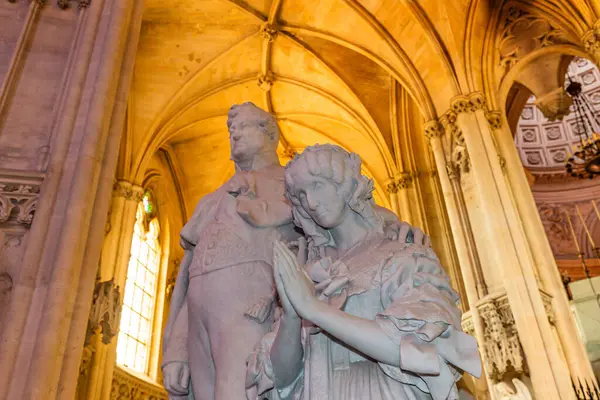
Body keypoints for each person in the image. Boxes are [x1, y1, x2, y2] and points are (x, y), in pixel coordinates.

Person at [162, 103, 427, 400]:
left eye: (243, 126)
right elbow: (189, 280)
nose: (233, 133)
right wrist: (178, 347)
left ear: (270, 133)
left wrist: (393, 228)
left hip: (254, 311)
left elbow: (352, 214)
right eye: (230, 129)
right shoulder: (211, 200)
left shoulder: (298, 183)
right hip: (200, 319)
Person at [246, 144, 481, 400]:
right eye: (301, 195)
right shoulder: (309, 274)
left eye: (317, 186)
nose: (311, 202)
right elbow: (281, 379)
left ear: (344, 183)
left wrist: (311, 307)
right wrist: (292, 315)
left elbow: (417, 348)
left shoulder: (401, 256)